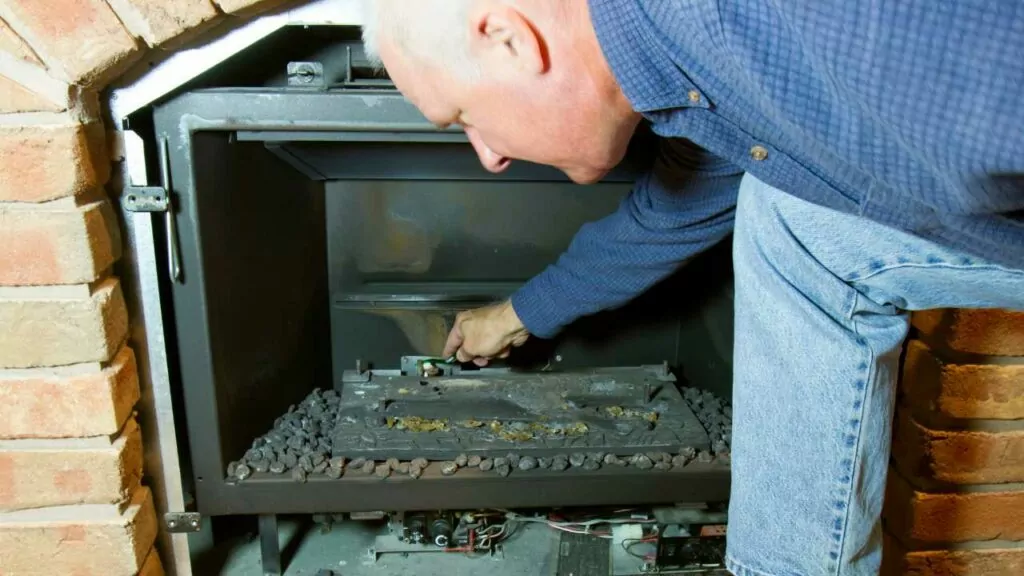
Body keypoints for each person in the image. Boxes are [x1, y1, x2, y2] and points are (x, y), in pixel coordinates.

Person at [357, 1, 1024, 574]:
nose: (489, 154)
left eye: (465, 115)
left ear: (508, 39)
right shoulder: (689, 51)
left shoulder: (833, 22)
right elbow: (685, 203)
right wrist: (518, 312)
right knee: (789, 216)